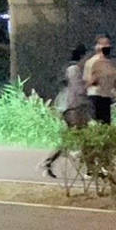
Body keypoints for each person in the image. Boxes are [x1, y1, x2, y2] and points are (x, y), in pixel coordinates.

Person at [44, 43, 88, 179]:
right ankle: (88, 168)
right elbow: (78, 89)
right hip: (73, 108)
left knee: (73, 138)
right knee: (84, 137)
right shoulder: (74, 69)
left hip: (71, 107)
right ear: (83, 56)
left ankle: (49, 162)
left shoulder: (72, 68)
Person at [82, 35, 116, 125]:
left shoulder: (108, 62)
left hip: (104, 95)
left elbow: (114, 80)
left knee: (103, 122)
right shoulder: (94, 62)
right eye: (104, 44)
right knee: (101, 122)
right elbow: (90, 80)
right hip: (96, 95)